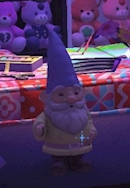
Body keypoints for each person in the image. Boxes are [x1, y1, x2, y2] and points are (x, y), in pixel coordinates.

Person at [33, 31, 97, 175]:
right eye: (61, 94)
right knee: (58, 154)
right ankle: (58, 161)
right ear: (47, 97)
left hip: (80, 141)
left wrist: (92, 131)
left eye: (76, 93)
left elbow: (89, 121)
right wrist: (39, 127)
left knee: (79, 153)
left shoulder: (81, 110)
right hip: (56, 145)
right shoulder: (50, 113)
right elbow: (41, 120)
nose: (71, 99)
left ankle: (78, 160)